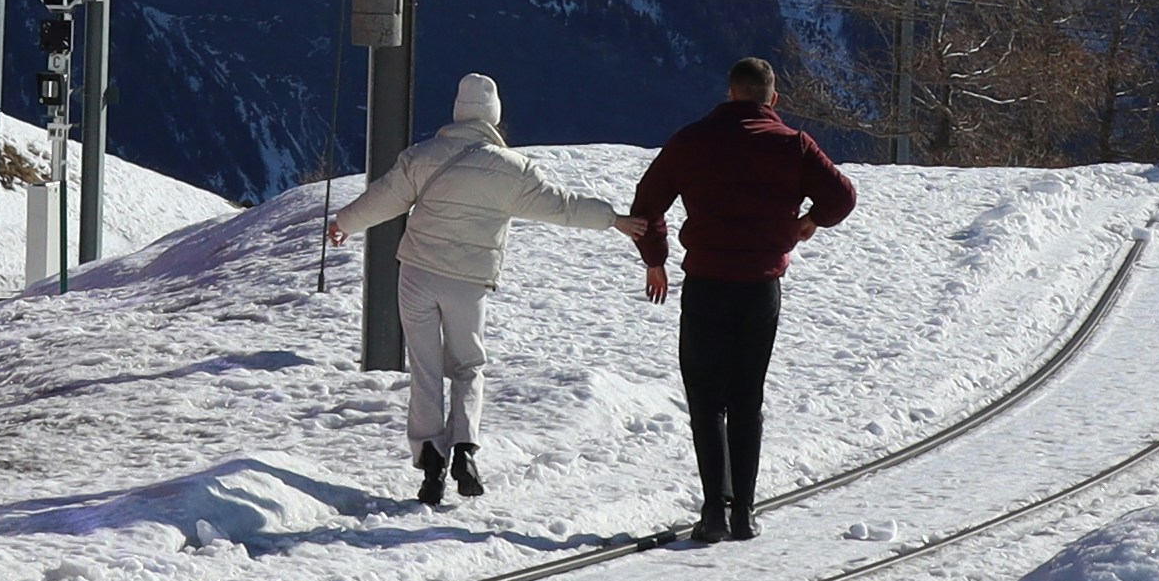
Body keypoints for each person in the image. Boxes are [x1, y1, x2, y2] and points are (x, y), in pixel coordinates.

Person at [324, 74, 644, 509]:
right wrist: (614, 220)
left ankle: (430, 460)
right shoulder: (513, 170)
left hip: (417, 274)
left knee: (424, 368)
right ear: (493, 116)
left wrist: (344, 223)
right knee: (468, 365)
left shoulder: (422, 157)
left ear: (458, 112)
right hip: (468, 282)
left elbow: (384, 197)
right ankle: (464, 450)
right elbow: (564, 207)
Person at [622, 59, 863, 544]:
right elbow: (842, 196)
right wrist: (811, 220)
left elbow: (646, 206)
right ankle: (746, 514)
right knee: (747, 398)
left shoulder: (692, 140)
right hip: (760, 288)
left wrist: (656, 260)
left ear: (730, 93)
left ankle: (714, 511)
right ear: (773, 99)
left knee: (706, 399)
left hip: (706, 283)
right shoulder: (794, 145)